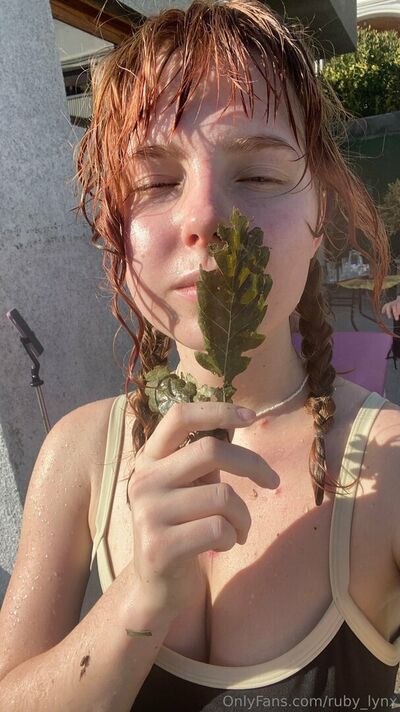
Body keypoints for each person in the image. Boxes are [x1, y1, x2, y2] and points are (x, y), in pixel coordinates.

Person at [0, 1, 399, 710]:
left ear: (319, 216)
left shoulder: (391, 471)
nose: (206, 216)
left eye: (259, 175)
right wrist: (140, 595)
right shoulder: (78, 454)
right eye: (156, 182)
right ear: (113, 228)